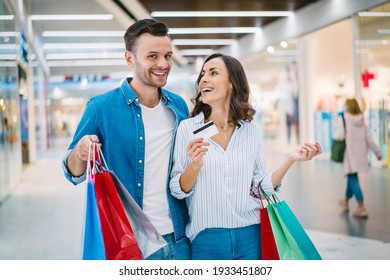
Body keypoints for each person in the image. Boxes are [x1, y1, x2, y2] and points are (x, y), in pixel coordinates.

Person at [169, 53, 322, 260]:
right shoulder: (188, 129)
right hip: (207, 238)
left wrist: (290, 159)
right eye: (202, 74)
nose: (203, 79)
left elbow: (260, 189)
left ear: (232, 83)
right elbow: (178, 190)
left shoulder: (251, 131)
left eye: (213, 73)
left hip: (250, 233)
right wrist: (195, 165)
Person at [62, 19, 190, 260]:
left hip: (179, 237)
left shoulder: (179, 107)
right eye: (152, 56)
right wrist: (79, 152)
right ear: (129, 59)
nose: (163, 64)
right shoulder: (101, 108)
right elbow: (71, 172)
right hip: (131, 241)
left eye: (168, 56)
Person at [335, 98, 381, 218]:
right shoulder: (361, 120)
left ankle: (361, 207)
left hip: (349, 154)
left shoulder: (343, 118)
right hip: (360, 155)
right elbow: (369, 138)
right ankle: (345, 201)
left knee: (352, 177)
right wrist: (378, 153)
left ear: (347, 107)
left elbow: (339, 136)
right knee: (352, 176)